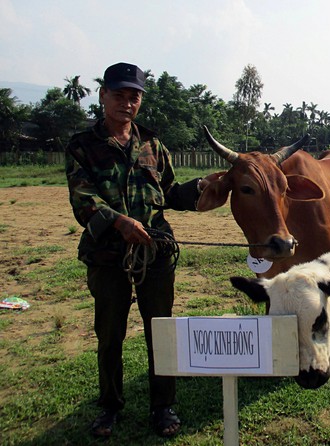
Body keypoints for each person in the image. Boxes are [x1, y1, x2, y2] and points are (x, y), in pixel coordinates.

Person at [65, 62, 218, 438]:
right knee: (110, 333)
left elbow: (169, 193)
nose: (127, 102)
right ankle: (109, 407)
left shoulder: (152, 144)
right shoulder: (82, 146)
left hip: (155, 253)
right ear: (103, 95)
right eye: (119, 94)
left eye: (134, 96)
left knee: (160, 330)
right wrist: (120, 222)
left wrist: (201, 186)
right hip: (107, 256)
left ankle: (163, 407)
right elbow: (82, 199)